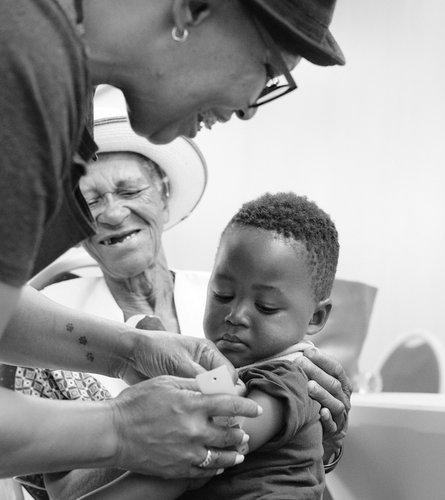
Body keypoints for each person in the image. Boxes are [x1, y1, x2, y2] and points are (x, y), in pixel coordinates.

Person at [0, 0, 348, 484]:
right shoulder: (26, 67)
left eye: (129, 190)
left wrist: (130, 351)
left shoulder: (42, 65)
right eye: (269, 70)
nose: (248, 109)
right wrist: (121, 429)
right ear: (196, 9)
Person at [70, 191, 341, 499]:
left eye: (265, 307)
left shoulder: (287, 379)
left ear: (315, 317)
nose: (236, 315)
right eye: (222, 295)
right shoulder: (61, 307)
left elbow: (198, 451)